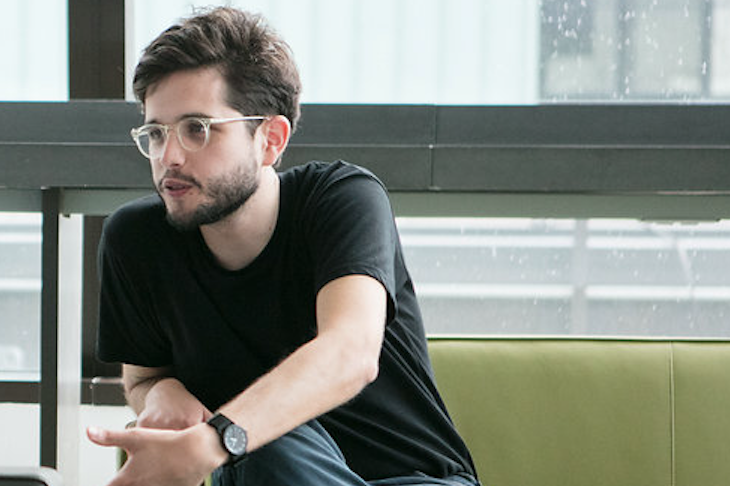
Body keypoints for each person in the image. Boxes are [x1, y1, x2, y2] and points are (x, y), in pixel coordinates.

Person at [87, 7, 479, 486]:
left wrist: (216, 440)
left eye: (197, 129)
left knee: (258, 445)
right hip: (266, 472)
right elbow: (142, 377)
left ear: (270, 140)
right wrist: (160, 392)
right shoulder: (136, 240)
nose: (169, 157)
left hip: (414, 480)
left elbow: (350, 352)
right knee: (263, 451)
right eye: (155, 133)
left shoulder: (341, 199)